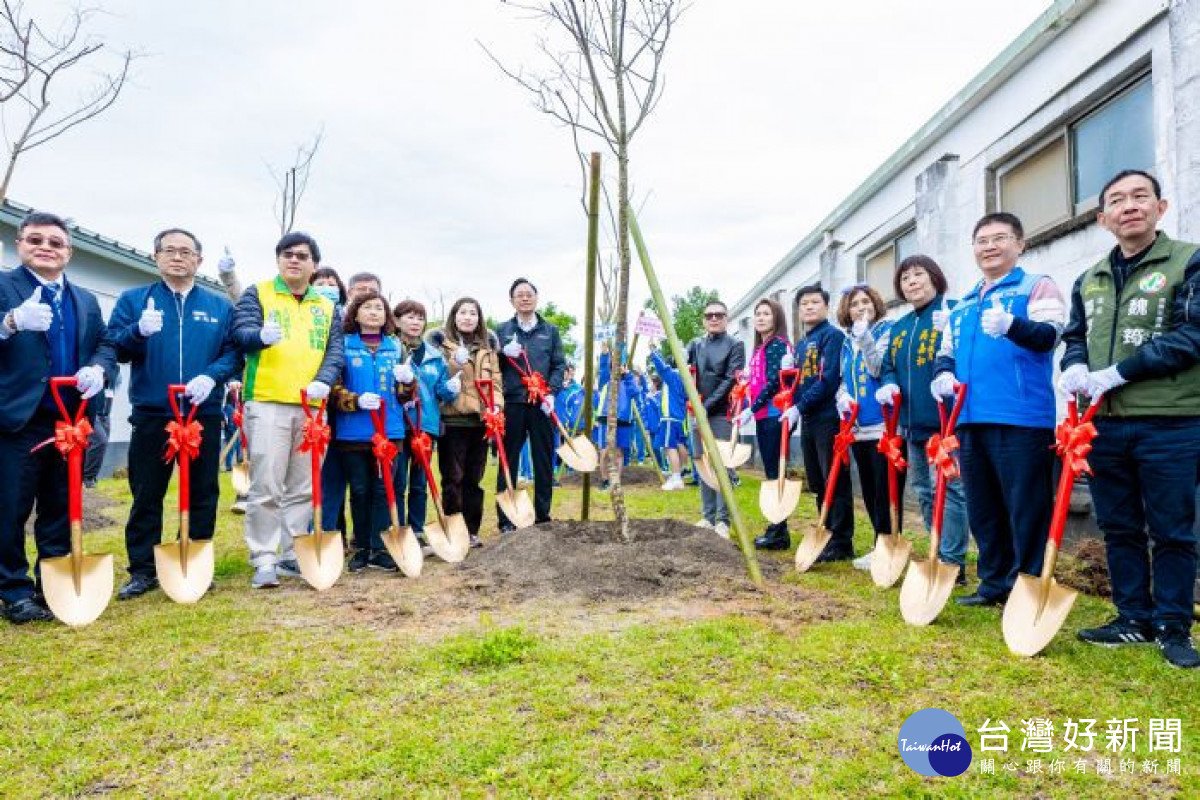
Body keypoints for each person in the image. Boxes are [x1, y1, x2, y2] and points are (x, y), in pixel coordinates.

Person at [1059, 169, 1200, 668]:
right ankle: (1133, 618)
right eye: (1117, 200)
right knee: (1118, 526)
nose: (1129, 206)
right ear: (1103, 218)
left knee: (1173, 529)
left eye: (1141, 196)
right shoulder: (1090, 277)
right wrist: (1074, 364)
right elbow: (1074, 335)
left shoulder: (1189, 261)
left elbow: (1193, 335)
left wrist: (1120, 371)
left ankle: (1173, 624)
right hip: (1105, 423)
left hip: (1170, 420)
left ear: (1160, 207)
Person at [932, 212, 1065, 607]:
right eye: (982, 240)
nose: (989, 246)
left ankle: (1026, 584)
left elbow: (1049, 337)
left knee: (1025, 507)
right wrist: (941, 375)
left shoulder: (1035, 287)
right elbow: (946, 353)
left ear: (1020, 244)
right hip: (969, 419)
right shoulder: (964, 304)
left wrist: (1012, 325)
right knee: (983, 507)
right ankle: (993, 583)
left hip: (1021, 417)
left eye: (1000, 238)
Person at [106, 227, 242, 600]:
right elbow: (113, 347)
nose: (178, 257)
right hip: (153, 412)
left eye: (186, 251)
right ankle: (143, 569)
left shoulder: (218, 306)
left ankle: (195, 559)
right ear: (156, 257)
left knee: (203, 490)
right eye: (169, 250)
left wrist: (211, 377)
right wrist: (137, 332)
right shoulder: (135, 301)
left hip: (204, 413)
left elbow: (233, 354)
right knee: (147, 492)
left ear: (199, 259)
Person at [0, 211, 117, 624]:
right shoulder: (3, 286)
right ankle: (13, 591)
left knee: (59, 506)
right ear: (20, 244)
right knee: (10, 508)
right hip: (16, 419)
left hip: (70, 419)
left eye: (55, 242)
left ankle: (52, 582)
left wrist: (100, 369)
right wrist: (10, 322)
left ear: (69, 251)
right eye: (36, 240)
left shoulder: (84, 299)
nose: (46, 247)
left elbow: (104, 343)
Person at [231, 232, 345, 589]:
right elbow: (241, 332)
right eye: (287, 255)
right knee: (266, 483)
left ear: (313, 264)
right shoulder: (259, 293)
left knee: (303, 485)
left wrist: (325, 381)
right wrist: (257, 336)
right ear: (278, 259)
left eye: (302, 256)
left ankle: (291, 552)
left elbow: (334, 351)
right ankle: (263, 558)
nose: (294, 260)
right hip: (267, 401)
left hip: (311, 407)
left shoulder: (326, 307)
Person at [876, 255, 969, 584]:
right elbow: (887, 364)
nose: (911, 282)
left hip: (946, 423)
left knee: (951, 489)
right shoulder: (900, 326)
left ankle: (952, 562)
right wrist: (888, 381)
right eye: (905, 278)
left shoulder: (954, 310)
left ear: (935, 277)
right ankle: (937, 546)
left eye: (918, 275)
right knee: (924, 490)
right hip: (911, 423)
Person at [329, 291, 403, 572]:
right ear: (355, 313)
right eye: (367, 307)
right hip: (353, 433)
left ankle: (380, 547)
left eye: (379, 308)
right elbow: (332, 389)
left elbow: (408, 395)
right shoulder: (343, 346)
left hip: (390, 429)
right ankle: (361, 547)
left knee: (385, 489)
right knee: (359, 489)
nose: (374, 312)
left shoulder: (396, 347)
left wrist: (407, 384)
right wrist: (355, 401)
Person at [834, 285, 904, 572]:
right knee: (869, 490)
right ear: (846, 311)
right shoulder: (846, 341)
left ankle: (889, 546)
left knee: (886, 490)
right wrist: (842, 397)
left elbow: (878, 368)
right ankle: (879, 544)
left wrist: (866, 338)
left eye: (866, 301)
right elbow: (844, 377)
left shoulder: (887, 330)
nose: (861, 307)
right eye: (854, 304)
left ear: (876, 303)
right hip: (858, 426)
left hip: (884, 424)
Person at [430, 296, 501, 548]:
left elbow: (495, 382)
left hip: (480, 421)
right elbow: (436, 379)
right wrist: (453, 361)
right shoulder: (440, 346)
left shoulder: (487, 349)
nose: (468, 317)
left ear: (479, 319)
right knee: (453, 478)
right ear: (454, 316)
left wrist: (496, 405)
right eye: (463, 312)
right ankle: (452, 526)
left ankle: (471, 530)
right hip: (453, 419)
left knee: (474, 479)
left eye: (473, 313)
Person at [495, 278, 566, 529]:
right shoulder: (501, 330)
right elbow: (492, 366)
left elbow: (558, 364)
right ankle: (506, 519)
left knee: (543, 459)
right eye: (519, 295)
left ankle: (542, 516)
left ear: (536, 298)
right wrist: (502, 353)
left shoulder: (550, 331)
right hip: (512, 403)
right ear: (512, 300)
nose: (525, 298)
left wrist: (552, 393)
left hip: (542, 404)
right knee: (508, 460)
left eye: (529, 294)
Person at [792, 285, 853, 561]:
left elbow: (827, 379)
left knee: (834, 478)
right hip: (808, 418)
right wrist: (793, 406)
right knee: (817, 479)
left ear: (826, 306)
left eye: (815, 302)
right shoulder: (803, 343)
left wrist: (800, 406)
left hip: (827, 417)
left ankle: (841, 540)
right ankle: (825, 529)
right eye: (804, 303)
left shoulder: (832, 336)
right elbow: (797, 381)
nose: (809, 307)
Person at [393, 299, 459, 548]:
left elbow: (440, 391)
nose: (415, 322)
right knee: (398, 480)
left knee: (420, 482)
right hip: (398, 424)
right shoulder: (391, 349)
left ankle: (418, 529)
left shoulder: (435, 357)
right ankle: (399, 527)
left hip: (425, 424)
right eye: (409, 317)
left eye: (420, 318)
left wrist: (452, 389)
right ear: (398, 321)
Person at [737, 298, 794, 550]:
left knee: (775, 473)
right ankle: (777, 526)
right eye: (757, 314)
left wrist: (753, 407)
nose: (760, 318)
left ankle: (779, 531)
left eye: (766, 314)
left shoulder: (777, 345)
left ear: (776, 318)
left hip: (773, 414)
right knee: (771, 472)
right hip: (763, 416)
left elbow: (774, 382)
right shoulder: (762, 347)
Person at [687, 299, 745, 535]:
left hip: (722, 413)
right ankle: (707, 516)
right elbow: (683, 368)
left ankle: (723, 520)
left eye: (719, 315)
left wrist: (707, 406)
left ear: (726, 318)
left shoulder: (735, 345)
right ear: (703, 319)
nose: (713, 319)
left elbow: (731, 378)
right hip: (698, 412)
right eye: (709, 315)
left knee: (722, 465)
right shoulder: (696, 345)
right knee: (702, 463)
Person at [310, 267, 349, 547]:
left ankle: (331, 532)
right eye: (320, 283)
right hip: (309, 401)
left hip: (343, 406)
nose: (326, 287)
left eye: (331, 283)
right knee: (310, 477)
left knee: (334, 475)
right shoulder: (306, 316)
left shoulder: (350, 321)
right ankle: (309, 533)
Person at [648, 342, 690, 491]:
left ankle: (677, 478)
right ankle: (678, 473)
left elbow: (662, 368)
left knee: (669, 447)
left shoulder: (674, 375)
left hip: (670, 417)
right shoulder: (685, 377)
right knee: (676, 445)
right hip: (678, 417)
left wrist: (653, 352)